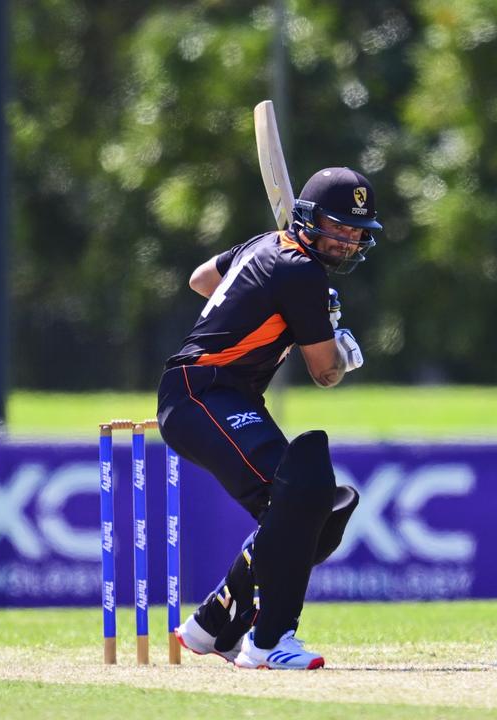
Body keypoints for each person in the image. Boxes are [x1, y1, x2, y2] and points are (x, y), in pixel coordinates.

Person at [156, 166, 381, 669]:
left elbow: (202, 280)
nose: (347, 240)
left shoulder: (268, 249)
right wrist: (334, 335)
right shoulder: (299, 270)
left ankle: (214, 624)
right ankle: (269, 640)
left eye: (355, 231)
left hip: (224, 397)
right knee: (300, 492)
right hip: (202, 393)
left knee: (318, 506)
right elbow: (324, 373)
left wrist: (268, 286)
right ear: (309, 218)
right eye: (337, 226)